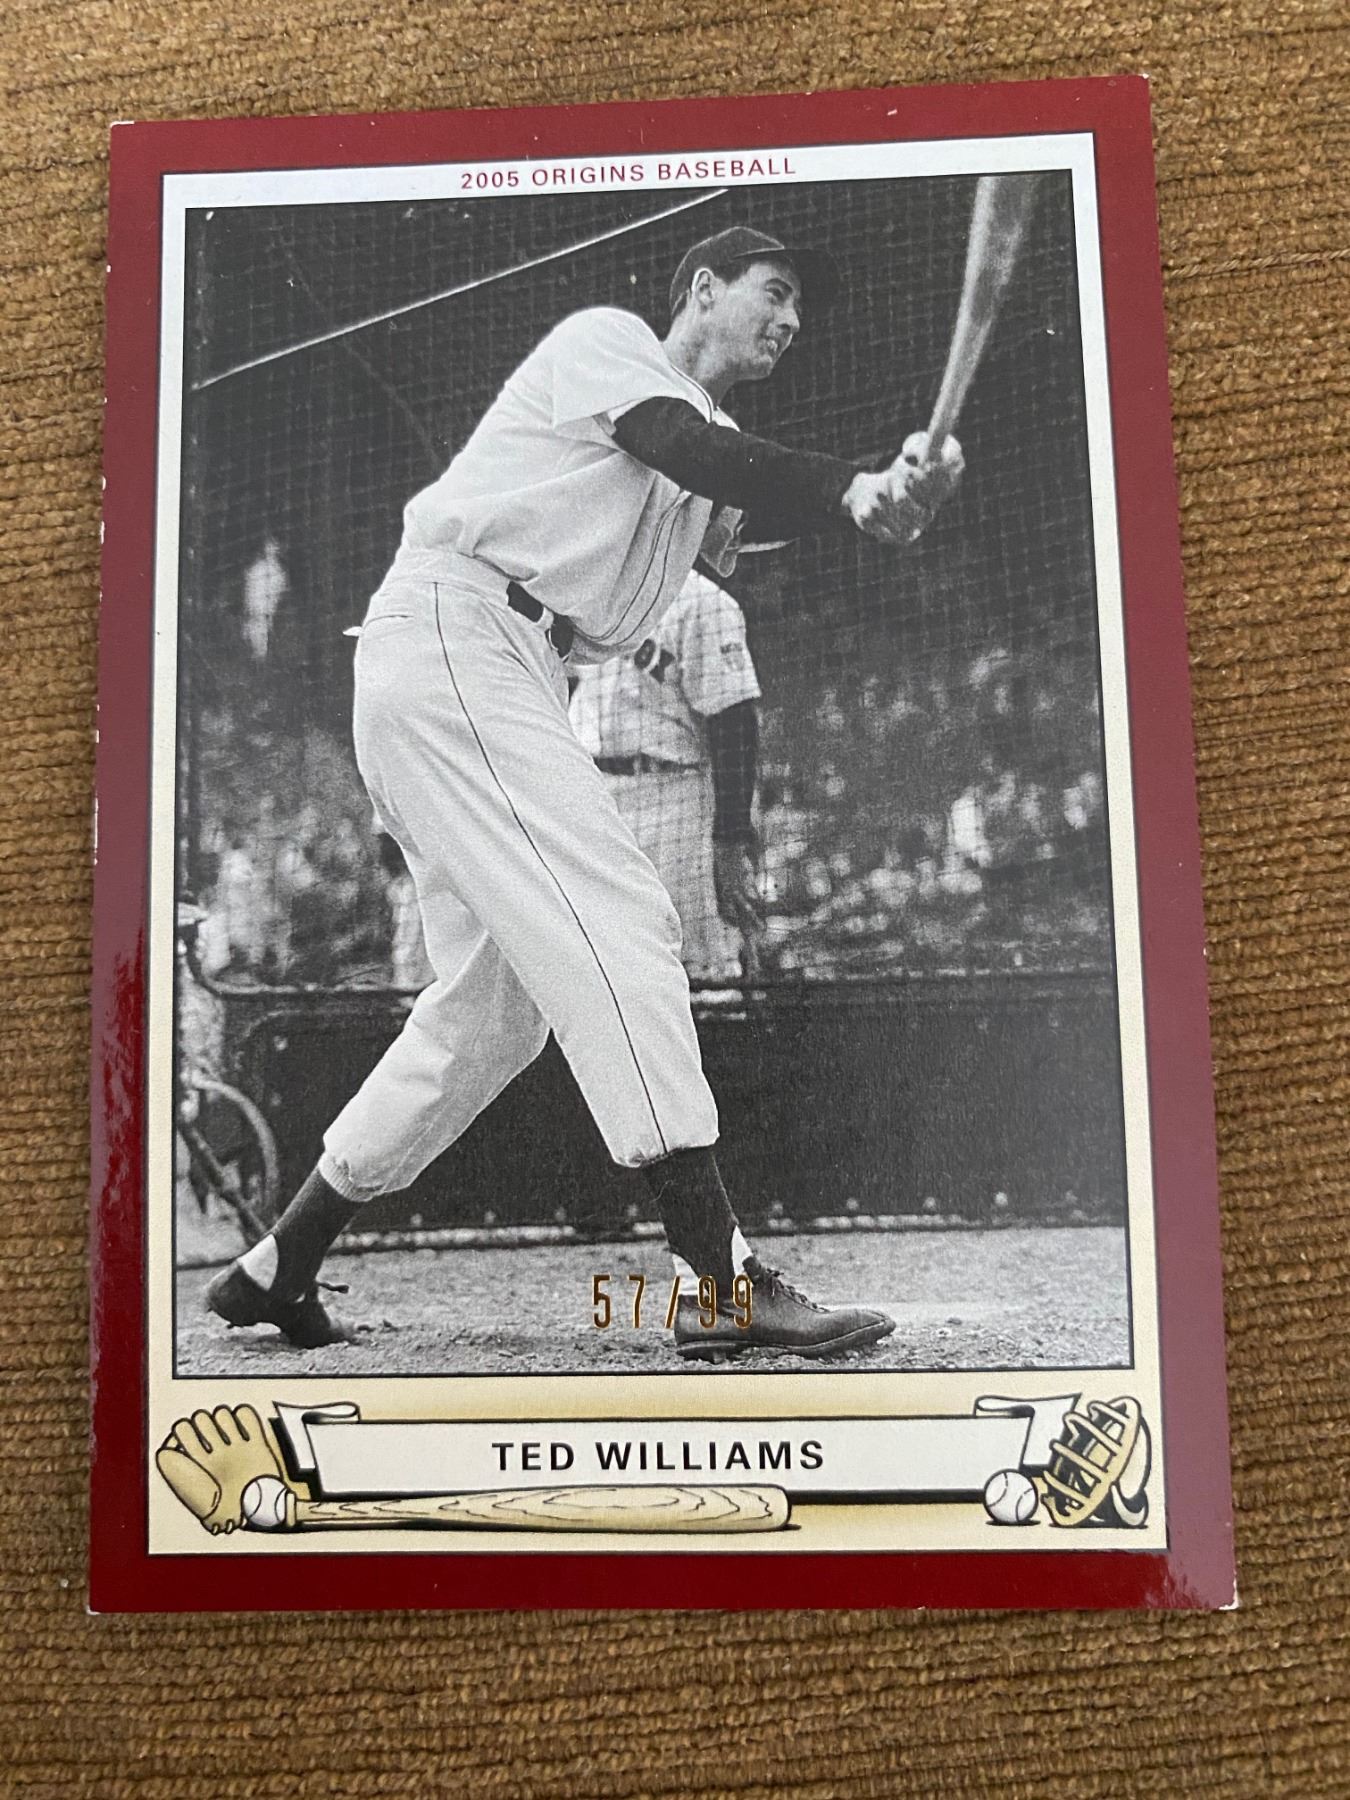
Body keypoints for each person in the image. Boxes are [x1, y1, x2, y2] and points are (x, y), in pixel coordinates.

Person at [206, 224, 964, 1361]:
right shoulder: (613, 347)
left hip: (490, 664)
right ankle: (720, 1281)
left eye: (799, 307)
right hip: (460, 630)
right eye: (774, 290)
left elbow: (736, 501)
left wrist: (887, 493)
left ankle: (281, 1263)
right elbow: (688, 449)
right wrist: (849, 484)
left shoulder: (703, 459)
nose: (791, 320)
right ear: (701, 289)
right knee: (620, 916)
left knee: (495, 1009)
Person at [569, 566, 765, 982]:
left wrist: (730, 842)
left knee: (699, 964)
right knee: (601, 964)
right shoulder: (589, 584)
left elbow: (736, 722)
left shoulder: (704, 602)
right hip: (592, 794)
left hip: (674, 796)